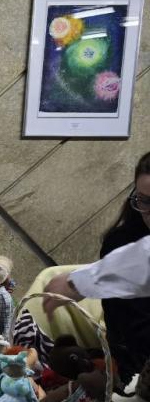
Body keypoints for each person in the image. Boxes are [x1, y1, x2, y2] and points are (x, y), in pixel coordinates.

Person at [44, 153, 150, 386]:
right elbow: (128, 330)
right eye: (144, 201)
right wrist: (79, 282)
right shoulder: (121, 241)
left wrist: (80, 282)